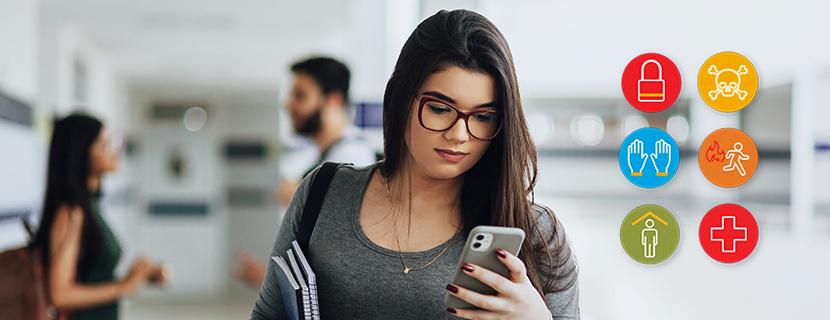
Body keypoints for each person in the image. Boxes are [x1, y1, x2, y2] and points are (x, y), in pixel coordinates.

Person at [251, 9, 578, 320]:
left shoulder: (536, 235)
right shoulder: (323, 194)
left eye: (483, 116)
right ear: (400, 100)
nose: (459, 134)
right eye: (440, 109)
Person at [233, 57, 377, 287]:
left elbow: (343, 233)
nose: (289, 105)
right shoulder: (321, 156)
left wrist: (297, 195)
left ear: (333, 100)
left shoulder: (354, 156)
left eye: (300, 96)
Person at [31, 113, 168, 320]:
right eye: (105, 145)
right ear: (81, 154)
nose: (116, 152)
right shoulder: (70, 213)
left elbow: (89, 279)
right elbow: (60, 295)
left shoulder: (89, 207)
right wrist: (124, 286)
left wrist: (137, 277)